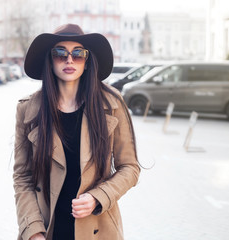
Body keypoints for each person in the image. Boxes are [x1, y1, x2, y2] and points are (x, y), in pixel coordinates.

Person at [13, 23, 140, 240]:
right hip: (48, 229)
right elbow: (22, 177)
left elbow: (130, 167)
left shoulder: (112, 104)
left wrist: (98, 197)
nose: (69, 59)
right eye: (60, 53)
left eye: (78, 53)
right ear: (49, 60)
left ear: (87, 61)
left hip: (97, 228)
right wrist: (33, 230)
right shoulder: (28, 109)